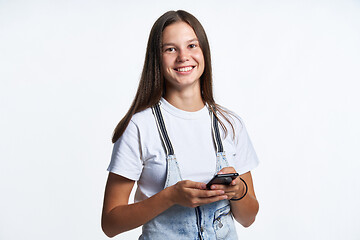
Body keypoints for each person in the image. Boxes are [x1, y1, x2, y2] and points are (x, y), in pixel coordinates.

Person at [101, 10, 259, 239]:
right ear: (157, 57)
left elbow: (248, 218)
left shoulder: (230, 124)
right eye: (170, 49)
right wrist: (170, 196)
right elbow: (110, 224)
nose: (183, 56)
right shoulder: (139, 127)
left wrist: (239, 191)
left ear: (204, 51)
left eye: (192, 46)